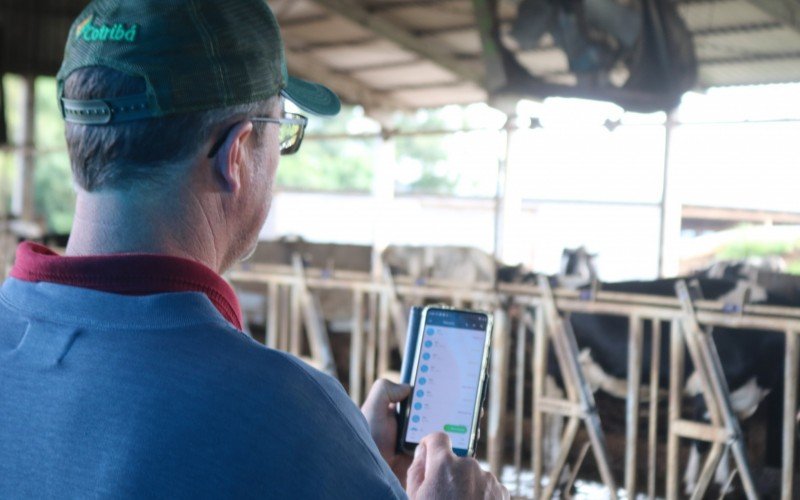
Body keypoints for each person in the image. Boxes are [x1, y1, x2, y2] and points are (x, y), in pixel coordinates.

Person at [0, 0, 508, 498]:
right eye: (281, 131)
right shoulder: (283, 412)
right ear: (237, 153)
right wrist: (331, 452)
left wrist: (352, 461)